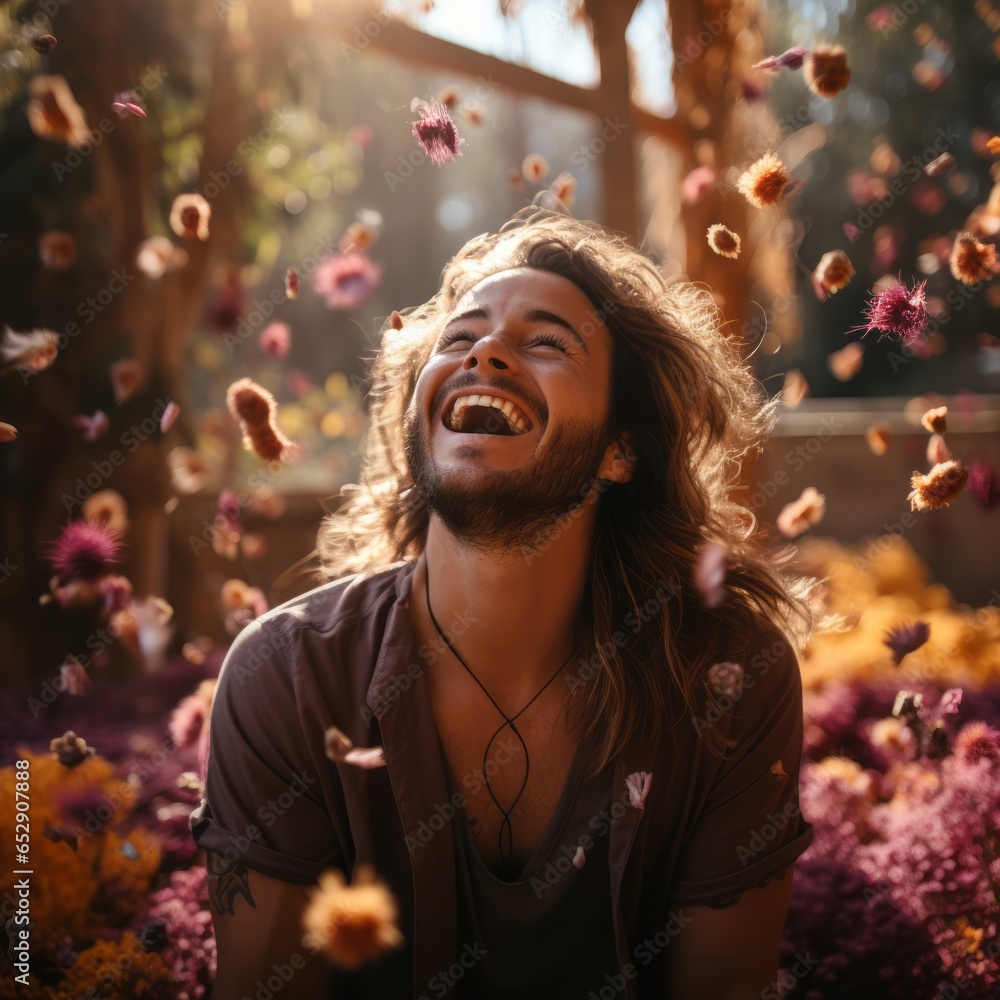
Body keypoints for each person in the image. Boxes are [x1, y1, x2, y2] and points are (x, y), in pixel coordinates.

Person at [191, 206, 815, 999]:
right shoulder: (285, 677)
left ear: (622, 450)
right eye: (459, 338)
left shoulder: (729, 677)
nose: (485, 350)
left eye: (547, 341)